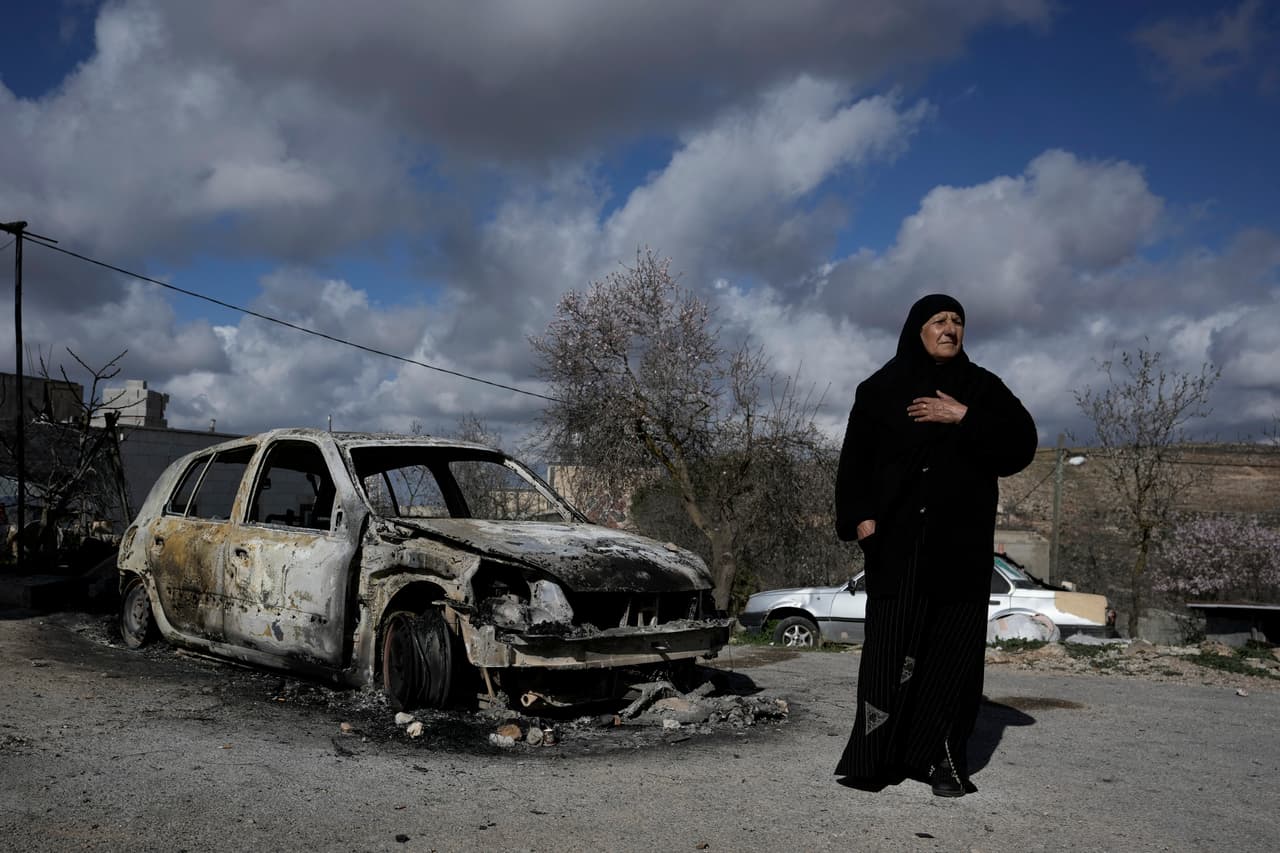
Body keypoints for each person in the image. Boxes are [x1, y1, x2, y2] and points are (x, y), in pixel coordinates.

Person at [833, 293, 1037, 797]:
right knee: (887, 655)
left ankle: (943, 761)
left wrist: (962, 416)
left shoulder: (982, 388)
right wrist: (863, 523)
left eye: (958, 321)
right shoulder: (880, 389)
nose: (950, 328)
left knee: (953, 658)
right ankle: (873, 759)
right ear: (916, 328)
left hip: (961, 550)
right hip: (897, 548)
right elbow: (854, 464)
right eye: (939, 320)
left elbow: (1021, 445)